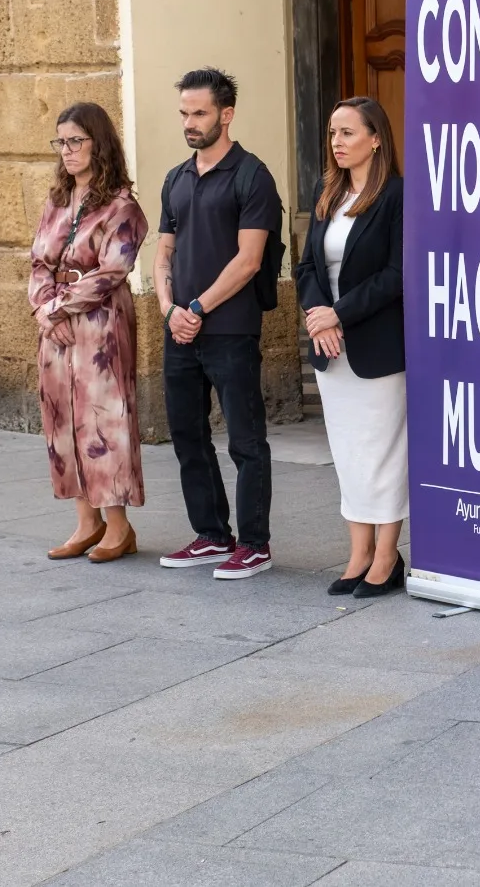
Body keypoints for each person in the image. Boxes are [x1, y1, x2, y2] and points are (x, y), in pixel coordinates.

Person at [154, 67, 284, 579]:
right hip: (180, 330)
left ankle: (254, 544)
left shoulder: (253, 176)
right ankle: (211, 534)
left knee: (245, 442)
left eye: (200, 113)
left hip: (230, 329)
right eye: (184, 113)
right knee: (187, 435)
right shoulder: (175, 179)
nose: (189, 122)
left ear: (226, 115)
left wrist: (198, 309)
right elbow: (163, 253)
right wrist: (169, 309)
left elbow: (249, 260)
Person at [295, 97, 409, 599]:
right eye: (332, 133)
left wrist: (339, 313)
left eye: (347, 133)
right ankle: (358, 553)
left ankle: (387, 557)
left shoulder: (397, 197)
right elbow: (305, 270)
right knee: (347, 454)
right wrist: (319, 317)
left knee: (382, 452)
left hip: (377, 347)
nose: (337, 143)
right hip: (331, 348)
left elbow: (397, 275)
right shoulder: (327, 195)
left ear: (376, 139)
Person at [31, 102, 149, 563]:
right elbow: (39, 262)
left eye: (75, 140)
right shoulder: (56, 200)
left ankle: (118, 527)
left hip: (100, 326)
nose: (67, 150)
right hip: (55, 328)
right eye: (60, 141)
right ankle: (86, 522)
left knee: (103, 420)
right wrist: (45, 310)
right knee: (61, 419)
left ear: (99, 144)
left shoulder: (122, 206)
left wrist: (58, 308)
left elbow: (112, 270)